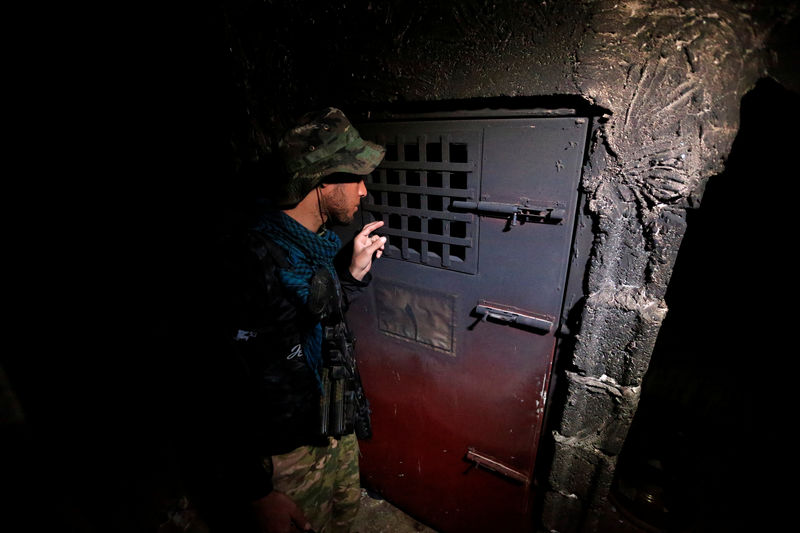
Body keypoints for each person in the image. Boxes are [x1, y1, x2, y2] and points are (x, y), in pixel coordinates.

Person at [204, 107, 387, 533]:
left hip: (328, 420)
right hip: (285, 452)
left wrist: (350, 276)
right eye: (355, 176)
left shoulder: (315, 247)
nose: (363, 189)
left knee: (342, 518)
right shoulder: (248, 262)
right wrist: (255, 492)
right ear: (321, 182)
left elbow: (313, 321)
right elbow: (216, 382)